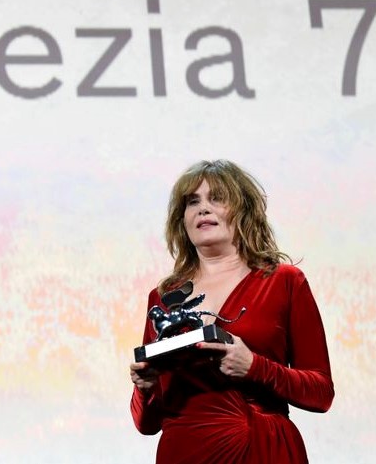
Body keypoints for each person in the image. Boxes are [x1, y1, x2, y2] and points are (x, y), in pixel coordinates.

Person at [129, 160, 334, 464]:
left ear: (244, 211)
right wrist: (145, 389)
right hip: (183, 452)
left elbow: (321, 394)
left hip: (264, 449)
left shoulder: (284, 281)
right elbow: (146, 424)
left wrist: (255, 367)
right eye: (193, 202)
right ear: (181, 220)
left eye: (217, 198)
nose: (203, 208)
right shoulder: (162, 298)